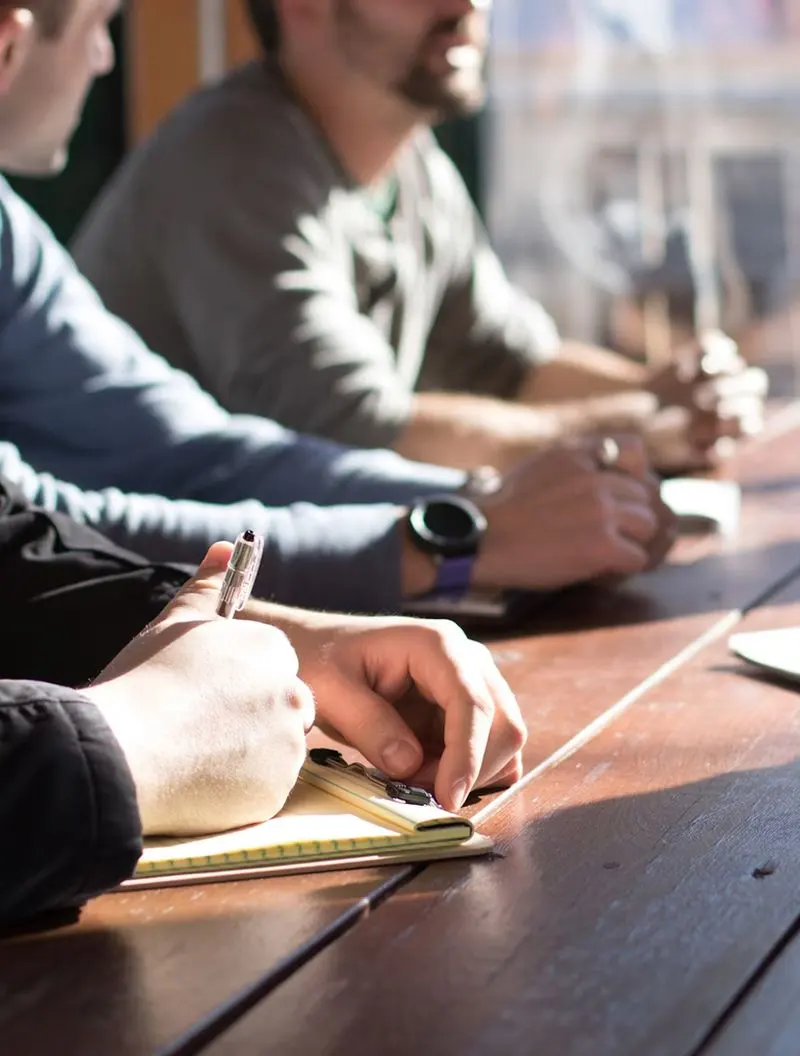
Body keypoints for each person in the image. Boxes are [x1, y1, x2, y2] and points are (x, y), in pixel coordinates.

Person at [0, 0, 675, 619]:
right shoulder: (233, 157)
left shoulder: (10, 232)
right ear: (9, 43)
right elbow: (35, 535)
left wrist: (475, 502)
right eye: (99, 25)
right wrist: (457, 538)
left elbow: (194, 449)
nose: (105, 58)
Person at [74, 0, 768, 474]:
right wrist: (636, 429)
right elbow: (354, 433)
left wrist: (672, 393)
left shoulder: (409, 159)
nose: (470, 3)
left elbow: (510, 363)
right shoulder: (232, 159)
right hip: (152, 610)